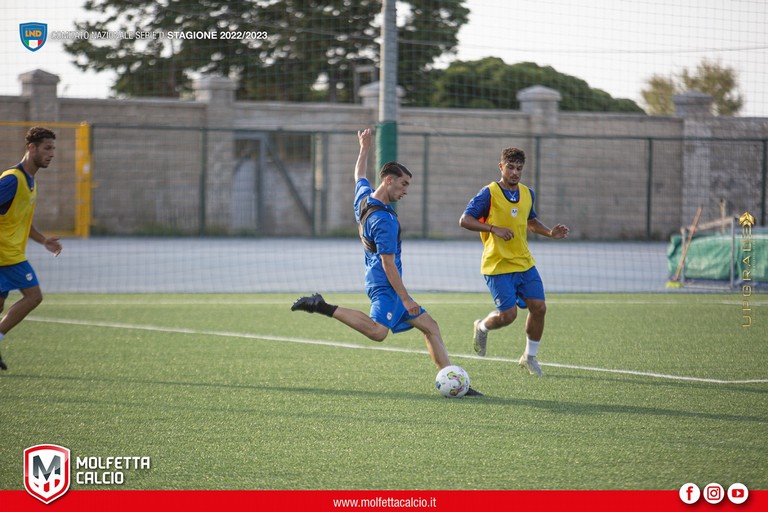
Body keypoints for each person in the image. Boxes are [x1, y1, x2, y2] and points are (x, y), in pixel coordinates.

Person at [292, 128, 481, 396]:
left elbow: (359, 175)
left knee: (430, 326)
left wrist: (364, 148)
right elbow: (388, 264)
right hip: (386, 285)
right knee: (378, 331)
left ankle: (454, 381)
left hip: (379, 281)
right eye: (404, 184)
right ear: (390, 181)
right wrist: (405, 299)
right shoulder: (384, 221)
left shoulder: (364, 199)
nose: (406, 191)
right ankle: (321, 306)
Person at [459, 147, 569, 376]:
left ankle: (529, 357)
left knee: (539, 308)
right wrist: (493, 229)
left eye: (519, 168)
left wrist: (549, 233)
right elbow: (465, 220)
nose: (515, 172)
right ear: (501, 167)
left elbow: (530, 220)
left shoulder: (528, 193)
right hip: (497, 265)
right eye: (510, 167)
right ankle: (482, 326)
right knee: (508, 316)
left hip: (524, 263)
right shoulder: (488, 193)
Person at [0, 127, 63, 370]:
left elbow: (21, 220)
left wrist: (43, 240)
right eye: (47, 148)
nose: (52, 154)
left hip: (9, 254)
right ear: (31, 148)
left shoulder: (31, 182)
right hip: (7, 255)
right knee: (34, 295)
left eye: (53, 149)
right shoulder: (12, 179)